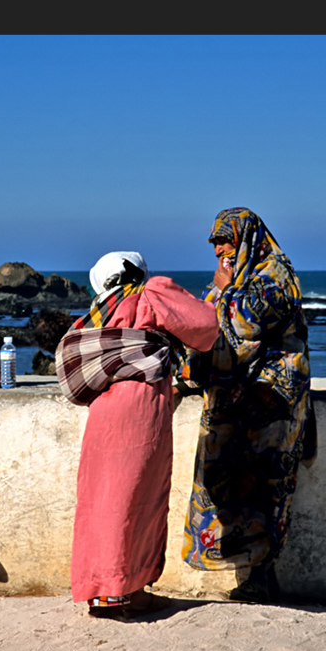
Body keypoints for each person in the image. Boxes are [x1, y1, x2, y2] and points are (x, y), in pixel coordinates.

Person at [56, 252, 219, 619]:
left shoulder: (99, 310)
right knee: (137, 498)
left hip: (104, 409)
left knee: (101, 498)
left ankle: (100, 593)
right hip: (140, 406)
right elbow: (206, 327)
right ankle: (130, 592)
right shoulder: (149, 293)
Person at [177, 208, 316, 602]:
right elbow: (204, 328)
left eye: (225, 240)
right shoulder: (239, 278)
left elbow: (242, 328)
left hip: (273, 406)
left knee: (268, 490)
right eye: (215, 242)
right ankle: (255, 578)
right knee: (231, 485)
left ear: (247, 240)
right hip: (240, 403)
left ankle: (262, 578)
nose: (219, 248)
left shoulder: (275, 276)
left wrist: (221, 290)